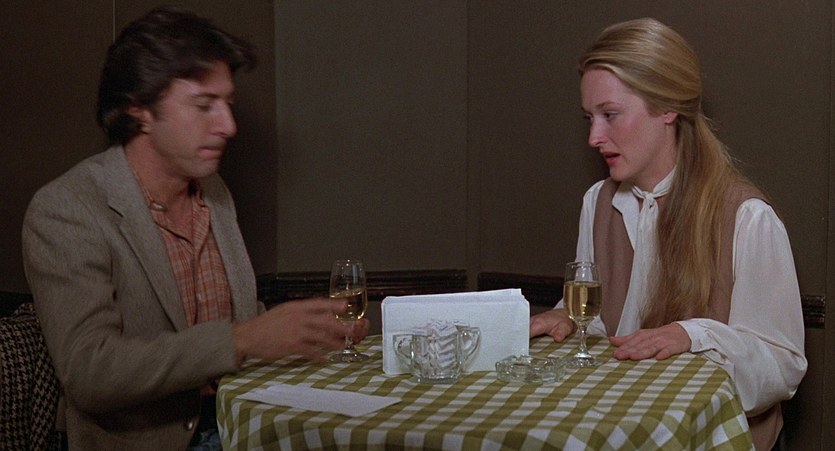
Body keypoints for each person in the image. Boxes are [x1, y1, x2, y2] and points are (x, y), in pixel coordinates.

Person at [21, 6, 368, 450]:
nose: (228, 126)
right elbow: (91, 372)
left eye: (228, 104)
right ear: (140, 110)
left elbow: (237, 324)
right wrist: (243, 339)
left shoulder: (213, 191)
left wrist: (306, 329)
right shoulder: (67, 209)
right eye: (204, 106)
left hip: (237, 424)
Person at [529, 18, 806, 450]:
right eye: (589, 118)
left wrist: (691, 335)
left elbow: (782, 365)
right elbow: (600, 321)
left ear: (667, 109)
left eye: (610, 115)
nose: (594, 137)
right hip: (622, 430)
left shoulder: (747, 216)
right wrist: (566, 316)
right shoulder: (597, 203)